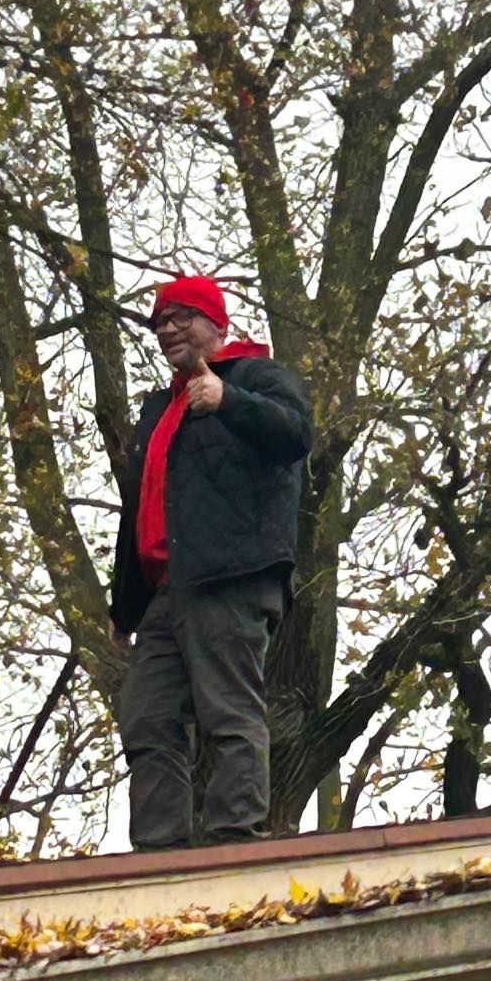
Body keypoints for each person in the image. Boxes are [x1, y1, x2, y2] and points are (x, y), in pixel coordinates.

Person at [109, 273, 314, 849]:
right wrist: (124, 608)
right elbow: (142, 509)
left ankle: (233, 845)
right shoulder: (160, 408)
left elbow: (296, 434)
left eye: (181, 317)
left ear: (215, 322)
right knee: (147, 719)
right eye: (159, 322)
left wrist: (230, 401)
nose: (168, 329)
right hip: (165, 591)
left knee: (228, 712)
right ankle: (158, 854)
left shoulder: (257, 377)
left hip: (231, 578)